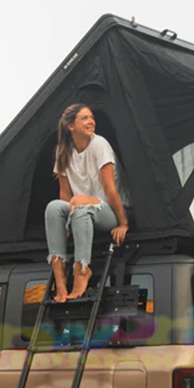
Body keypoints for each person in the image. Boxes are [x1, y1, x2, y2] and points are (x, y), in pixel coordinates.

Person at [44, 104, 130, 302]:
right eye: (84, 118)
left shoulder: (99, 144)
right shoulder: (63, 151)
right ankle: (59, 276)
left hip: (110, 209)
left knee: (80, 204)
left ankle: (82, 269)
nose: (91, 122)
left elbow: (109, 188)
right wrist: (65, 226)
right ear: (71, 126)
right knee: (53, 208)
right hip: (79, 209)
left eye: (91, 117)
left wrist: (123, 223)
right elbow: (65, 193)